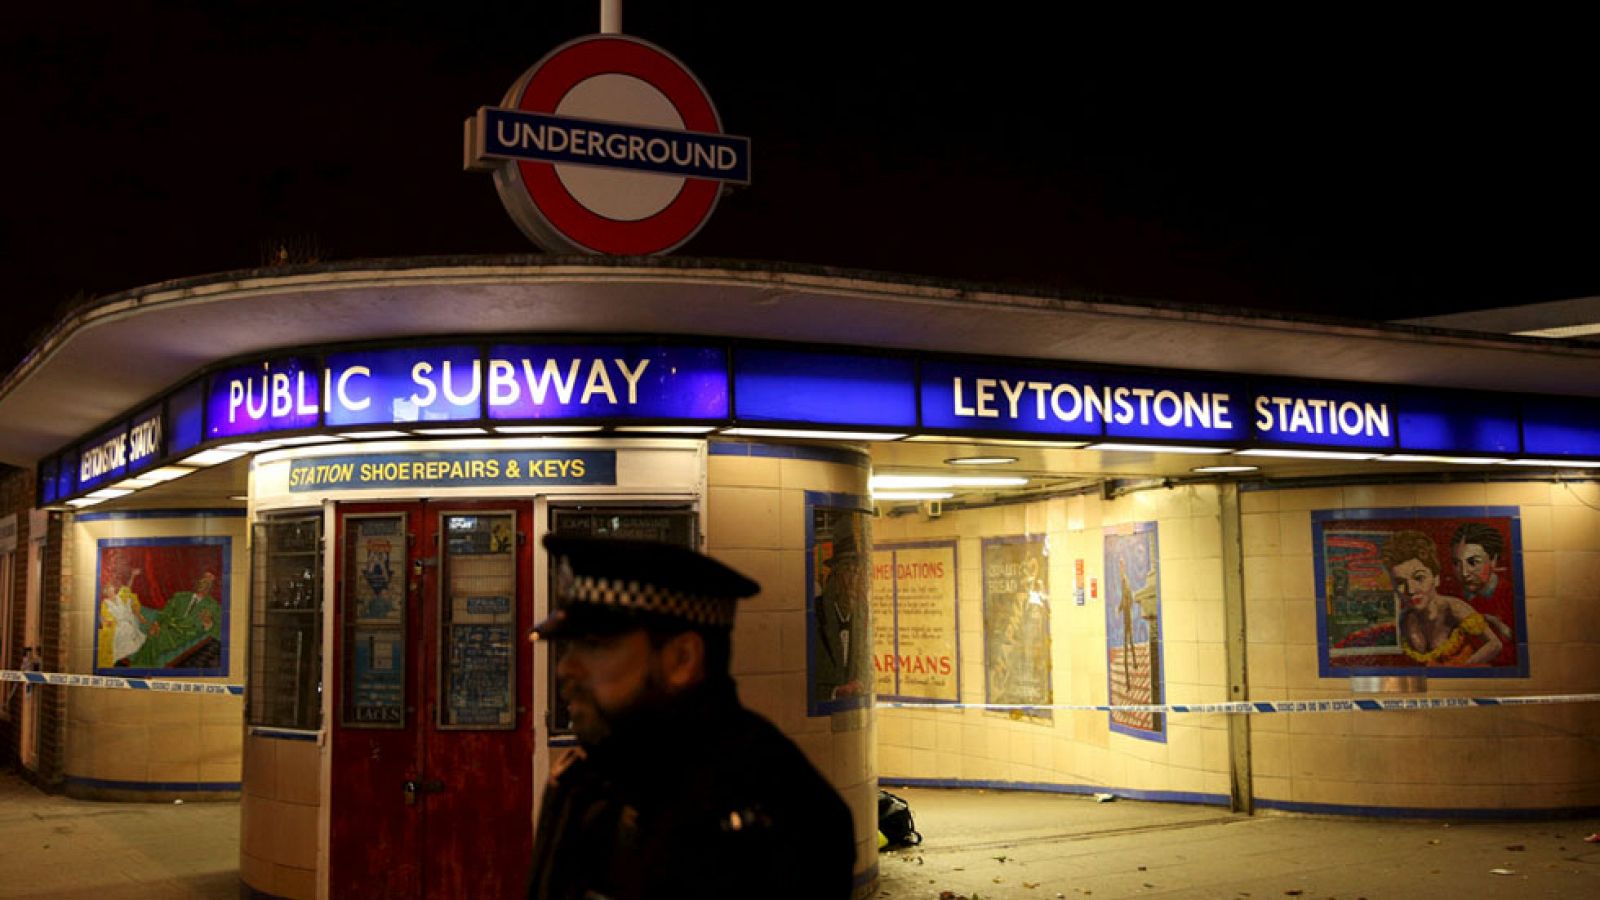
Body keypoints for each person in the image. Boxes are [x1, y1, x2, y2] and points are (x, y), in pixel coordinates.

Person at [526, 535, 857, 900]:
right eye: (570, 646)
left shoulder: (779, 815)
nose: (565, 668)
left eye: (594, 645)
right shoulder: (588, 782)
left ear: (682, 659)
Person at [1381, 530, 1502, 667]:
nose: (1411, 590)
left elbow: (1494, 644)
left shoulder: (1454, 608)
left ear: (1436, 578)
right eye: (1400, 582)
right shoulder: (1404, 619)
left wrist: (1461, 668)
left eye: (1419, 578)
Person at [812, 528, 869, 705]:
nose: (852, 579)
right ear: (835, 575)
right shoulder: (818, 613)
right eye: (847, 570)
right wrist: (835, 692)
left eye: (856, 572)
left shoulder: (860, 616)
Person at [1449, 522, 1517, 666]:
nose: (1464, 573)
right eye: (1457, 563)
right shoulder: (1452, 599)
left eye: (1473, 562)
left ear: (1493, 560)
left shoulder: (1512, 596)